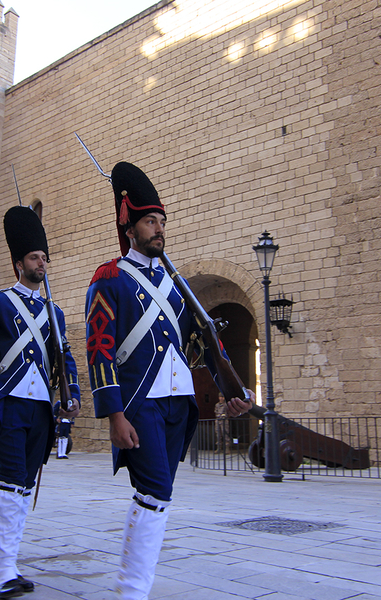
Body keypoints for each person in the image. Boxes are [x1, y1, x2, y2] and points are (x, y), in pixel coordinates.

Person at [85, 161, 253, 600]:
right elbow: (100, 349)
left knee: (159, 494)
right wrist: (114, 414)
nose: (159, 229)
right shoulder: (110, 279)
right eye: (150, 221)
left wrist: (233, 391)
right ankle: (131, 591)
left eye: (161, 221)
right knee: (155, 490)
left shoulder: (177, 287)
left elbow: (204, 343)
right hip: (139, 403)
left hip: (180, 403)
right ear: (129, 227)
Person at [0, 206, 81, 598]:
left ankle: (11, 563)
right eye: (35, 258)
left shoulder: (55, 313)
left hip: (40, 410)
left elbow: (64, 358)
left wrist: (72, 395)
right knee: (12, 481)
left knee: (24, 484)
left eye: (44, 258)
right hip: (9, 405)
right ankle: (3, 570)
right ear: (19, 264)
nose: (41, 263)